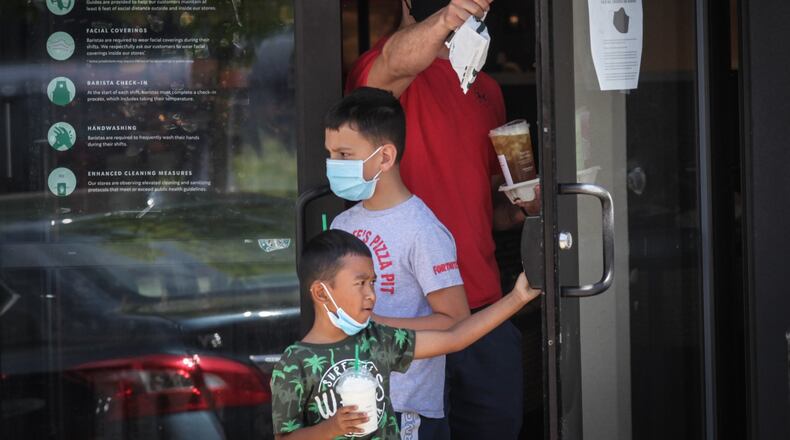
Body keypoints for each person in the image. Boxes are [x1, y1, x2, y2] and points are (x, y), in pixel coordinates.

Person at [345, 0, 539, 437]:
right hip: (413, 320)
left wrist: (526, 206)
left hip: (485, 309)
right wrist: (451, 16)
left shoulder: (486, 86)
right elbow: (398, 60)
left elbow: (488, 204)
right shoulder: (382, 69)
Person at [270, 229, 541, 439]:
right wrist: (331, 428)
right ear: (321, 292)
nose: (371, 294)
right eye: (360, 283)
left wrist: (517, 298)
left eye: (373, 283)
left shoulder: (378, 339)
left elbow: (455, 338)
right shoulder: (294, 363)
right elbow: (285, 437)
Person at [326, 87, 471, 438]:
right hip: (349, 409)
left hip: (408, 412)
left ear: (385, 157)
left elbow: (456, 320)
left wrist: (375, 325)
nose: (333, 165)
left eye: (345, 154)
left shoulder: (423, 230)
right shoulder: (341, 225)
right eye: (329, 154)